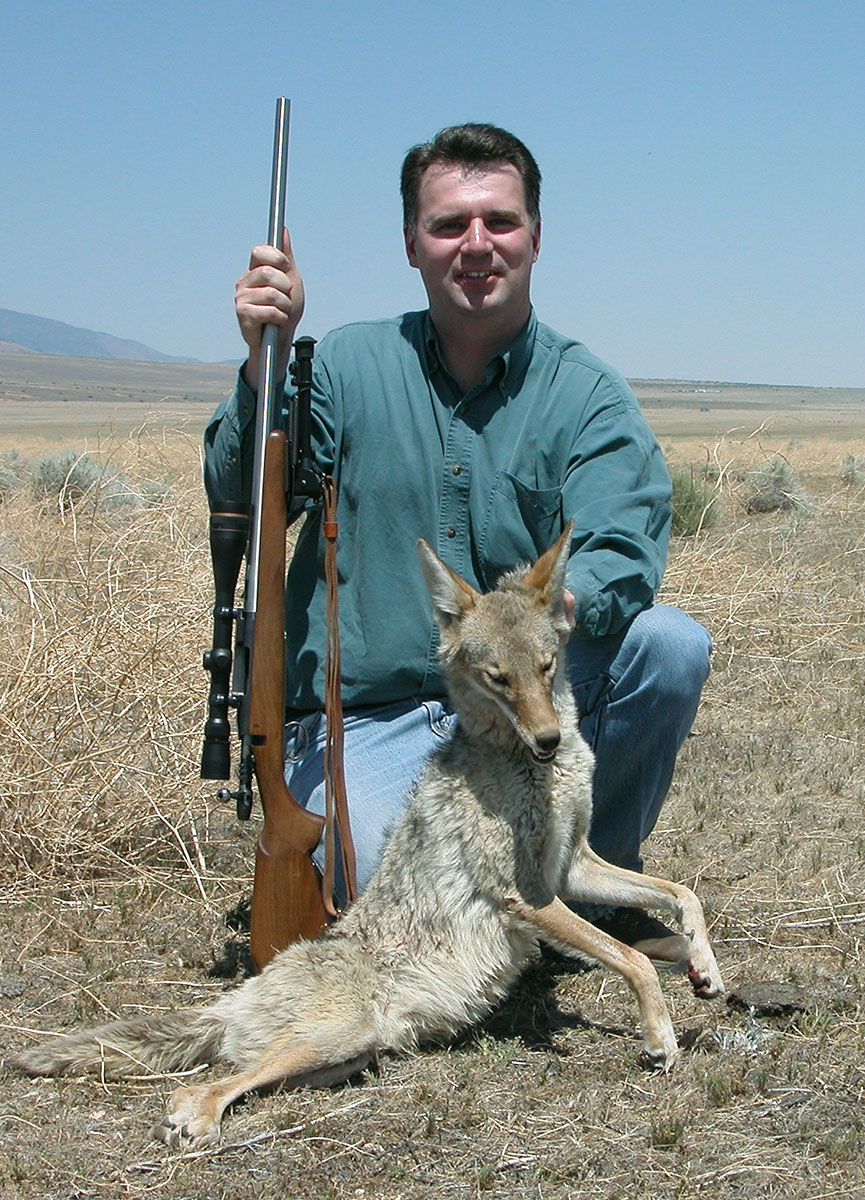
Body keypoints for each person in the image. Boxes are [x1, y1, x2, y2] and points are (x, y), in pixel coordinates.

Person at [204, 123, 711, 962]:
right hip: (371, 717)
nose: (476, 244)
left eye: (499, 221)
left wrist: (550, 610)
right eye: (448, 225)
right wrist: (265, 364)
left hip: (521, 696)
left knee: (668, 646)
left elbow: (621, 541)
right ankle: (508, 899)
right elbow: (239, 491)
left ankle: (585, 884)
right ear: (412, 243)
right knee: (394, 885)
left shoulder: (585, 393)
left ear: (535, 235)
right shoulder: (340, 366)